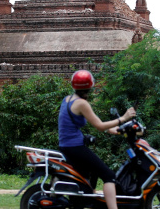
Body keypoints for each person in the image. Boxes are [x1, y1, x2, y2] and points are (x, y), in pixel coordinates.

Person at [58, 70, 136, 209]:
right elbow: (99, 125)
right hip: (75, 147)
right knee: (109, 175)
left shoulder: (67, 99)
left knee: (93, 171)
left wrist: (114, 130)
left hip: (67, 146)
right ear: (90, 87)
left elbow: (94, 123)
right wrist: (123, 118)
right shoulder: (82, 103)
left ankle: (92, 200)